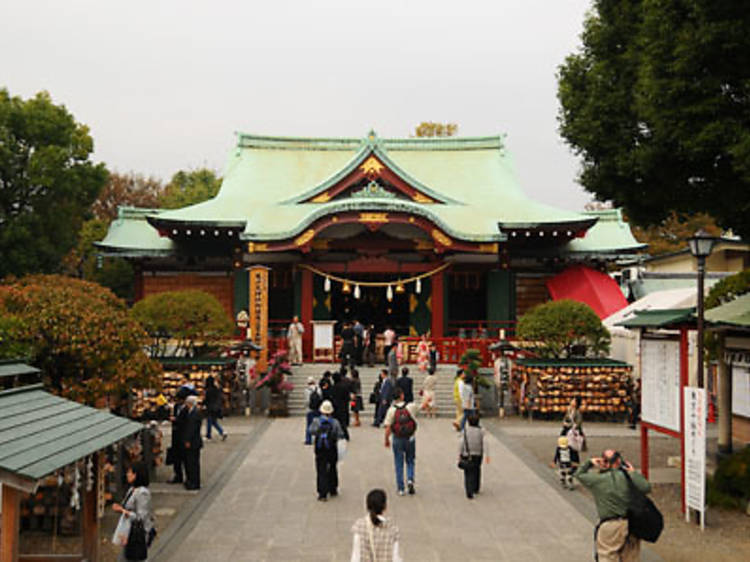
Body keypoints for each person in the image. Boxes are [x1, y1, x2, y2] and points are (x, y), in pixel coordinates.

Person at [575, 449, 652, 562]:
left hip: (610, 525)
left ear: (604, 462)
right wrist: (633, 472)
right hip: (632, 525)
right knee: (631, 558)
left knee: (607, 555)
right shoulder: (628, 477)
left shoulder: (598, 480)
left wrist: (590, 462)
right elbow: (646, 487)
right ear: (619, 461)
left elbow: (579, 474)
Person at [112, 462, 155, 562]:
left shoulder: (142, 493)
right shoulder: (132, 490)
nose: (128, 474)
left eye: (130, 472)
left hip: (138, 532)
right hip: (128, 529)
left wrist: (123, 511)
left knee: (133, 557)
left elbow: (141, 516)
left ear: (137, 475)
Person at [350, 489, 402, 562]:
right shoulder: (392, 529)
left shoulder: (359, 526)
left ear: (367, 506)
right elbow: (395, 558)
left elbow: (356, 556)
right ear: (385, 506)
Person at [383, 387, 418, 496]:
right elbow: (421, 406)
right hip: (410, 437)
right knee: (410, 460)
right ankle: (410, 479)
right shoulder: (410, 406)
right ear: (402, 396)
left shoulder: (391, 410)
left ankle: (401, 488)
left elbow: (388, 427)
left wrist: (386, 439)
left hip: (397, 438)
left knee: (398, 462)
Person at [308, 400, 345, 501]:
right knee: (332, 467)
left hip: (320, 448)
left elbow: (311, 431)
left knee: (321, 469)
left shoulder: (316, 421)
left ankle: (322, 493)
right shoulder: (335, 422)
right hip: (331, 447)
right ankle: (333, 488)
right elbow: (340, 434)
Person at [458, 413, 489, 499]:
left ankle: (469, 489)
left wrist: (459, 453)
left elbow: (461, 443)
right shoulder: (481, 431)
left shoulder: (465, 431)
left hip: (467, 454)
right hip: (477, 454)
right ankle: (476, 486)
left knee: (468, 472)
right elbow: (485, 443)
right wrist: (487, 455)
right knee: (476, 469)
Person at [167, 388, 188, 484]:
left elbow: (186, 422)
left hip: (183, 434)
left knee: (185, 457)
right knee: (176, 457)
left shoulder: (187, 408)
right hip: (175, 434)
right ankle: (178, 475)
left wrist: (176, 420)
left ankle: (187, 477)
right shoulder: (176, 407)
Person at [181, 395, 203, 490]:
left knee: (192, 463)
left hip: (193, 442)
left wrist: (187, 440)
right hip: (195, 441)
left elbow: (191, 429)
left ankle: (194, 482)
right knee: (193, 462)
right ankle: (193, 481)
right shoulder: (193, 412)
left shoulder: (194, 414)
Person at [203, 376, 227, 441]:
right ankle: (222, 432)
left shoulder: (208, 390)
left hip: (210, 408)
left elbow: (206, 400)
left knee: (209, 422)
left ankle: (208, 436)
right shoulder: (216, 389)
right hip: (216, 408)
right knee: (214, 422)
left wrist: (202, 404)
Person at [331, 370, 352, 440]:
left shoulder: (333, 387)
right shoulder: (344, 387)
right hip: (343, 406)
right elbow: (347, 397)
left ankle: (334, 434)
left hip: (335, 406)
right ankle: (345, 435)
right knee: (342, 422)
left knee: (334, 421)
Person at [305, 376, 321, 445]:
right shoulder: (318, 389)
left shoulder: (306, 390)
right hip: (318, 409)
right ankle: (319, 438)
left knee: (309, 424)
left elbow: (307, 401)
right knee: (319, 424)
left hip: (310, 409)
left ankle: (308, 439)